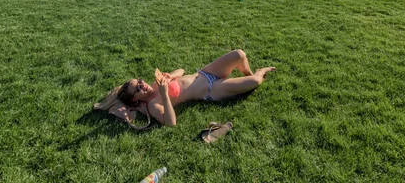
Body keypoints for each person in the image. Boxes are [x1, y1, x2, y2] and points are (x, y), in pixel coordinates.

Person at [94, 50, 276, 128]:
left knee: (239, 54)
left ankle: (248, 74)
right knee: (256, 82)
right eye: (139, 88)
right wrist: (165, 96)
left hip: (205, 73)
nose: (143, 84)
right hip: (211, 89)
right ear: (135, 99)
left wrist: (172, 76)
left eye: (140, 80)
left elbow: (181, 70)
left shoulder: (157, 82)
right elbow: (171, 123)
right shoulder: (153, 104)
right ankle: (257, 74)